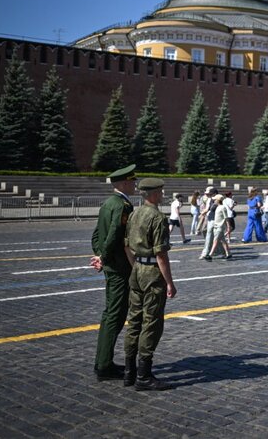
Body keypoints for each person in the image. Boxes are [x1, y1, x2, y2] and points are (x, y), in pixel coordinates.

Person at [123, 177, 176, 391]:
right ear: (153, 193)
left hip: (136, 270)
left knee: (134, 320)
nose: (162, 194)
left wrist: (136, 265)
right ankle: (144, 376)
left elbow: (126, 245)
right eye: (160, 191)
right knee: (151, 322)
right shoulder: (157, 217)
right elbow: (161, 255)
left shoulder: (134, 213)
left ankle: (129, 372)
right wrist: (170, 282)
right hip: (152, 273)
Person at [89, 164, 137, 381]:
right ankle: (104, 365)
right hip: (119, 267)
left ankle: (103, 362)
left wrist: (99, 255)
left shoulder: (108, 203)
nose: (134, 184)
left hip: (111, 265)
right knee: (114, 316)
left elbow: (97, 235)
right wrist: (105, 257)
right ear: (124, 183)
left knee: (111, 314)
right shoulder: (123, 205)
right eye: (132, 181)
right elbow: (115, 235)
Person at [205, 194, 231, 260]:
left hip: (219, 227)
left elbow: (226, 218)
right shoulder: (217, 207)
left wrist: (228, 227)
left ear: (218, 200)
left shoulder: (223, 207)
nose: (214, 200)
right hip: (216, 226)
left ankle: (210, 255)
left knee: (215, 241)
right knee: (223, 241)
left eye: (215, 199)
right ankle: (228, 253)